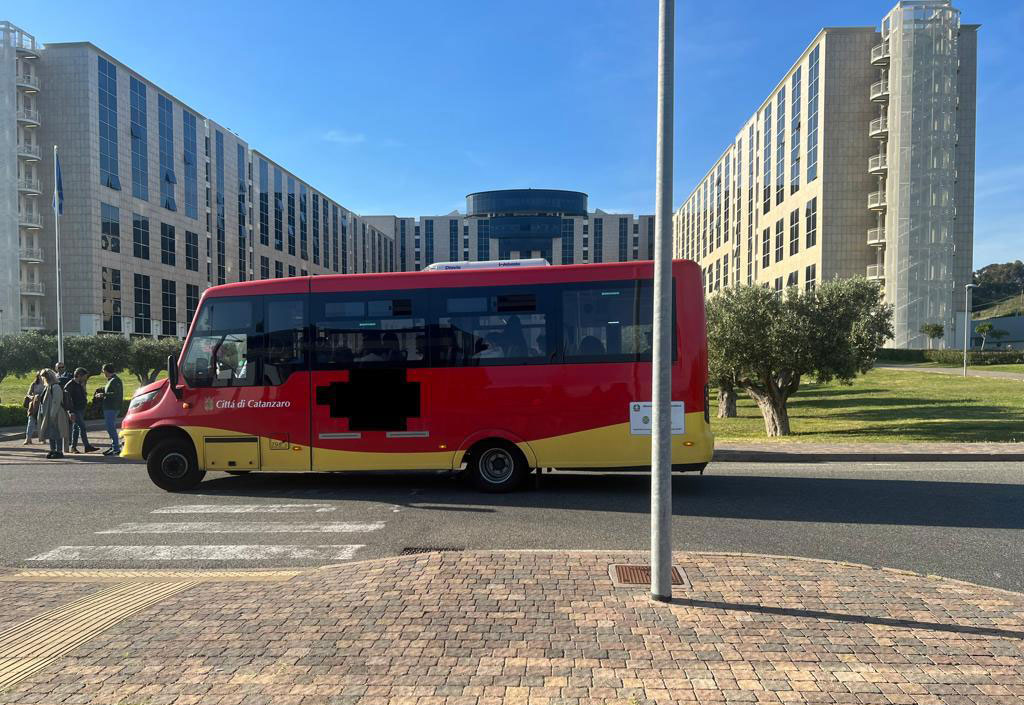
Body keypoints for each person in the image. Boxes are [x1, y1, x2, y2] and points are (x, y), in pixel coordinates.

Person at [37, 369, 69, 459]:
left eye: (46, 376)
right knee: (51, 433)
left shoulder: (55, 387)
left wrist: (52, 414)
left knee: (58, 433)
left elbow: (56, 401)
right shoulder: (48, 387)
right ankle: (52, 449)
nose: (45, 378)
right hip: (49, 414)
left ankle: (59, 451)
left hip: (56, 414)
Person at [65, 367, 99, 454]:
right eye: (84, 376)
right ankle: (87, 446)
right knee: (82, 427)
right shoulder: (70, 385)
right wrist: (71, 411)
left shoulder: (79, 384)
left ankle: (73, 447)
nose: (85, 378)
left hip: (81, 409)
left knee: (76, 429)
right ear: (79, 375)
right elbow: (67, 400)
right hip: (75, 410)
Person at [93, 363, 123, 456]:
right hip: (109, 407)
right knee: (110, 428)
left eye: (103, 371)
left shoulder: (115, 380)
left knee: (111, 428)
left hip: (112, 408)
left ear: (106, 371)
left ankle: (116, 448)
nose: (103, 373)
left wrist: (103, 395)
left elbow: (116, 394)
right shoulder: (111, 380)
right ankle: (114, 446)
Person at [23, 372, 45, 445]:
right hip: (34, 405)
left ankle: (42, 438)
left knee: (42, 422)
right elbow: (28, 394)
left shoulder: (46, 385)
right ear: (37, 376)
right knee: (31, 422)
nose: (41, 377)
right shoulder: (34, 384)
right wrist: (32, 397)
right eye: (40, 376)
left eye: (42, 376)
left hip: (43, 405)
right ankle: (28, 439)